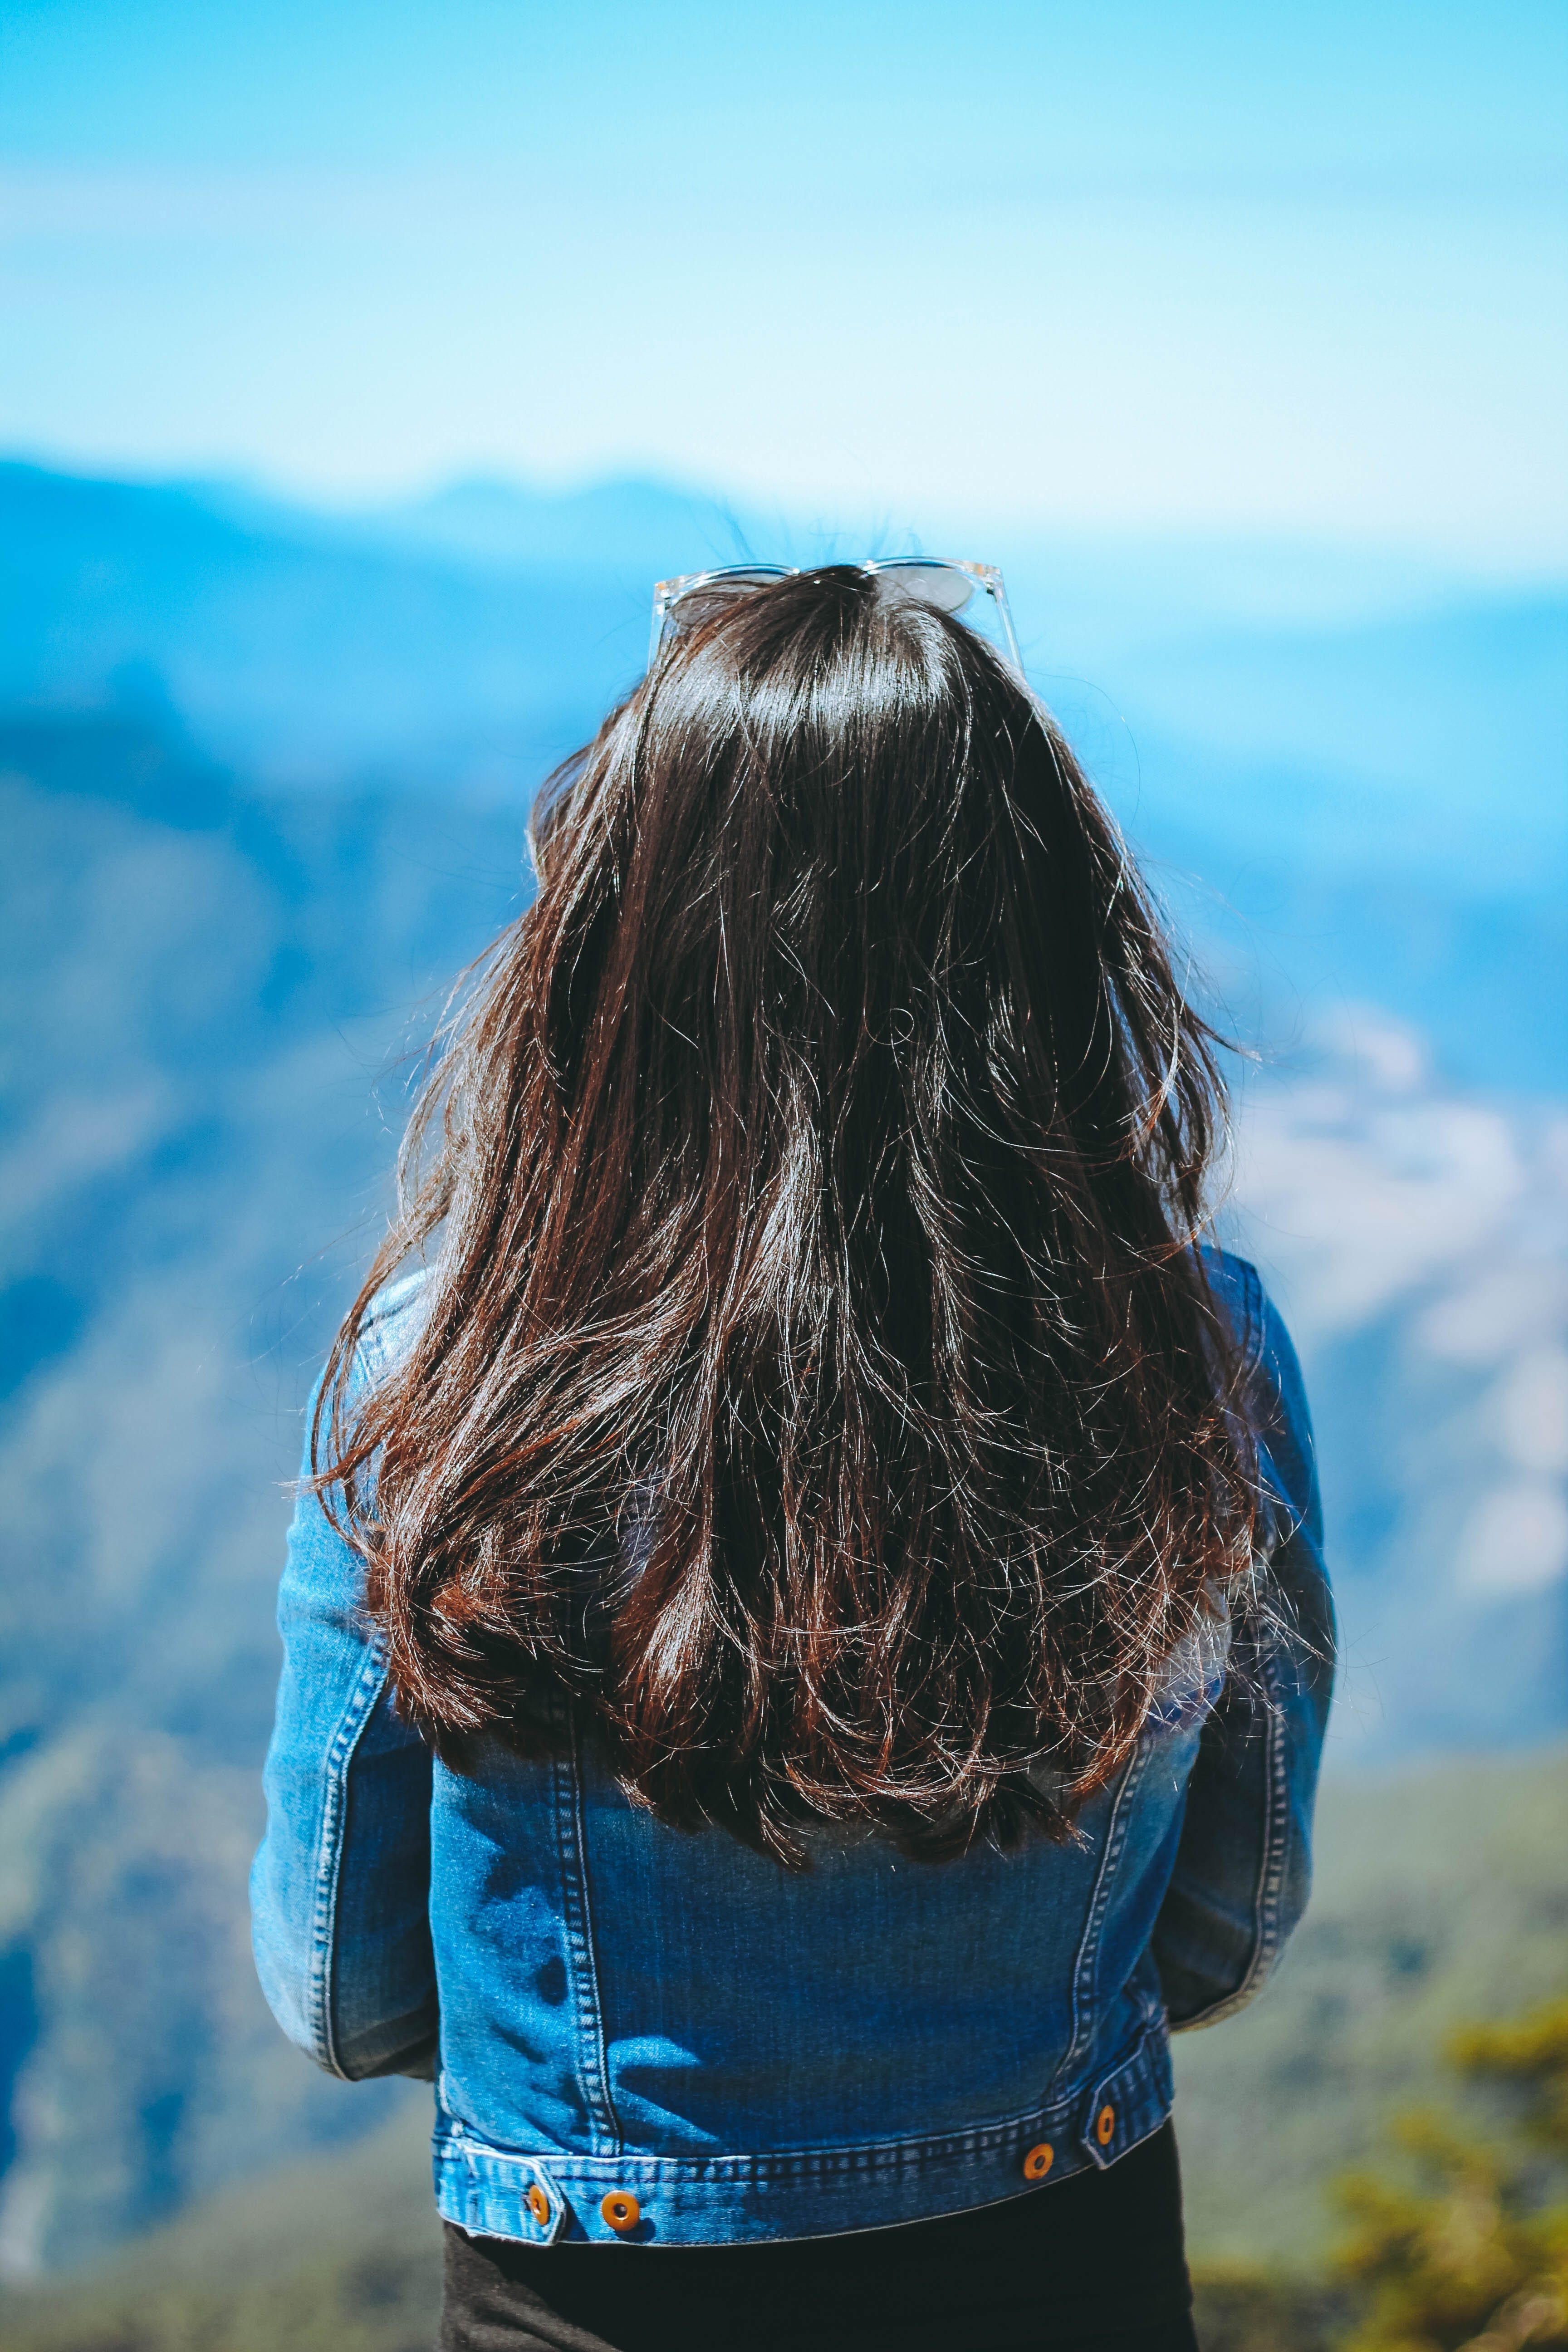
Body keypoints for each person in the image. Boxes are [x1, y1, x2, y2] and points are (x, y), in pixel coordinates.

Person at [251, 561, 1333, 2352]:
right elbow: (1230, 1922)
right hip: (1068, 2266)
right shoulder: (1193, 1349)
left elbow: (347, 1993)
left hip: (580, 2286)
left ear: (615, 938)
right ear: (1042, 932)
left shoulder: (443, 1363)